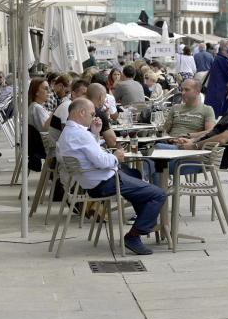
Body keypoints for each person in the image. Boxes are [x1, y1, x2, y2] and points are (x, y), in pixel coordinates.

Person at [56, 98, 166, 255]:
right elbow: (101, 161)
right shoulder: (80, 135)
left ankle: (145, 224)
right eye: (92, 113)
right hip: (104, 183)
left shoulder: (68, 133)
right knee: (158, 194)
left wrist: (94, 133)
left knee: (137, 179)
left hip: (91, 183)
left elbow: (87, 155)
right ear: (82, 112)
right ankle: (134, 236)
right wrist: (116, 156)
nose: (94, 117)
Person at [174, 79, 228, 169]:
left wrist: (194, 145)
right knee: (160, 150)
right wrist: (192, 140)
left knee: (158, 157)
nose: (227, 97)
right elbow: (213, 132)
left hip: (208, 159)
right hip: (200, 153)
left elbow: (222, 139)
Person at [205, 39, 228, 118]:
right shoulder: (222, 59)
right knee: (216, 113)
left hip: (217, 89)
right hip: (219, 90)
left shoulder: (220, 58)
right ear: (225, 47)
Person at [85, 83, 116, 148]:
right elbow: (112, 142)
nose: (104, 100)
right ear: (101, 97)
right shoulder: (99, 114)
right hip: (91, 152)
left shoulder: (77, 109)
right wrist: (106, 119)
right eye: (105, 97)